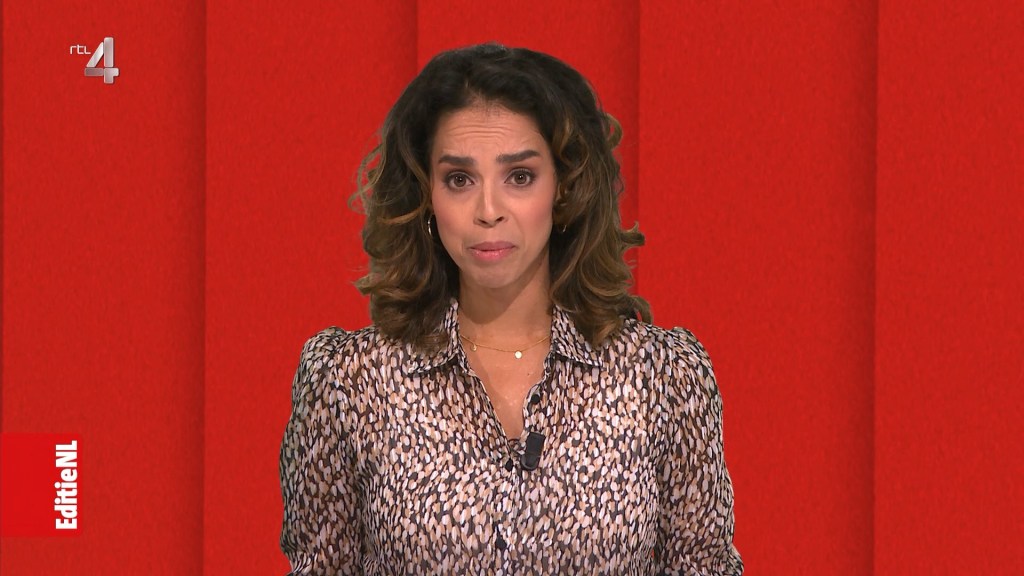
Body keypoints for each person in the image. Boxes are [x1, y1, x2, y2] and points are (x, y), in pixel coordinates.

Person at [279, 42, 742, 575]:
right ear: (426, 197)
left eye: (519, 176)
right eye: (459, 180)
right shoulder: (349, 382)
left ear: (564, 190)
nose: (489, 210)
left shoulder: (663, 377)